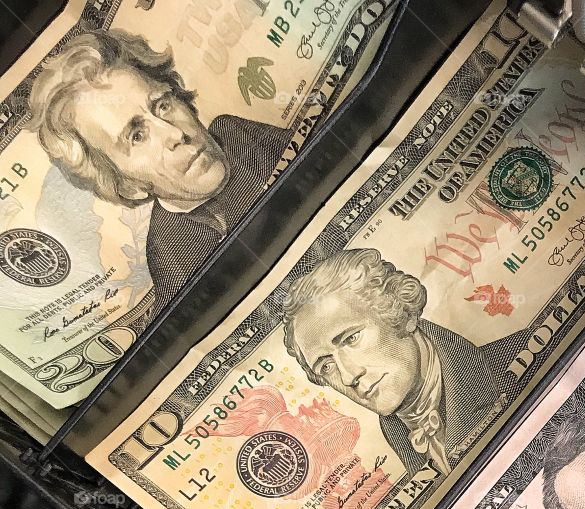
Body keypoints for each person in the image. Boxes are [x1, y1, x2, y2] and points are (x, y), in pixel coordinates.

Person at [27, 29, 291, 316]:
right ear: (127, 186)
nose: (175, 133)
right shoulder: (166, 252)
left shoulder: (238, 134)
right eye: (137, 136)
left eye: (163, 105)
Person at [282, 248, 519, 477]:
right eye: (326, 366)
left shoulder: (520, 358)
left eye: (351, 338)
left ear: (400, 313)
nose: (347, 376)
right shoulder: (401, 447)